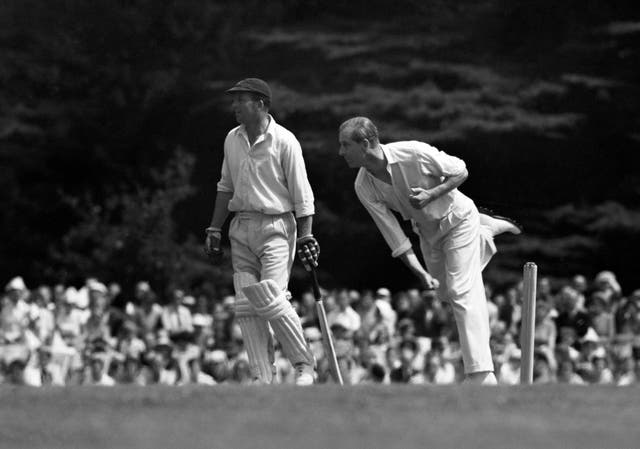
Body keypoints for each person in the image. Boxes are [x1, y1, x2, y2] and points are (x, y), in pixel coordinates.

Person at [337, 116, 521, 385]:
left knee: (462, 290)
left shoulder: (413, 153)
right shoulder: (362, 186)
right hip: (427, 233)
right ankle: (486, 230)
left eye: (345, 145)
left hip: (457, 219)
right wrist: (420, 273)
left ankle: (482, 374)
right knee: (446, 294)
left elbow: (461, 170)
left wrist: (432, 194)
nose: (340, 152)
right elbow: (394, 236)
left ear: (365, 144)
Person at [204, 78, 318, 385]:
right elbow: (225, 186)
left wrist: (306, 235)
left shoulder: (284, 141)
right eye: (234, 100)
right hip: (240, 224)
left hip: (277, 225)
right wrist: (215, 228)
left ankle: (304, 363)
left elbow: (302, 195)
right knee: (245, 302)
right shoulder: (232, 138)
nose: (234, 106)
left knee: (271, 296)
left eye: (241, 100)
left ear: (261, 105)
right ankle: (263, 375)